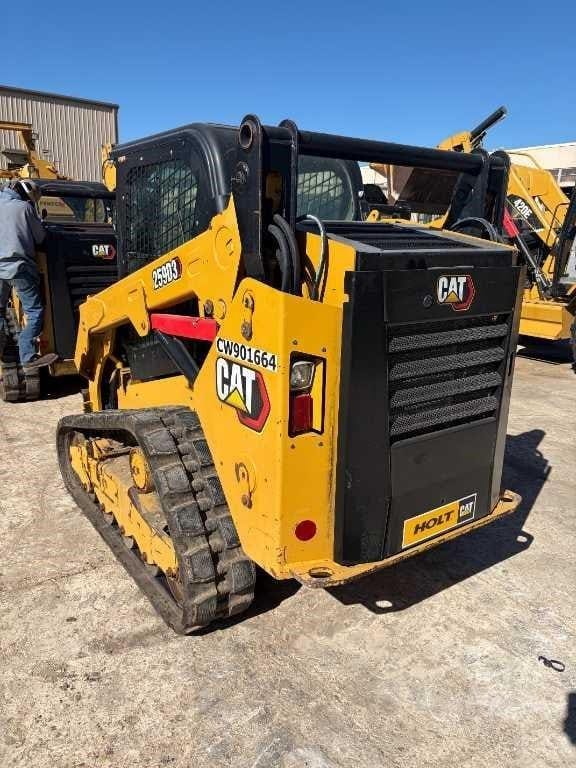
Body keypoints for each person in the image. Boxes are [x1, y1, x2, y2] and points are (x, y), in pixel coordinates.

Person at [0, 179, 58, 369]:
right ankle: (27, 356)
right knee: (34, 313)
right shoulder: (24, 208)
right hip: (20, 267)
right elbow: (40, 237)